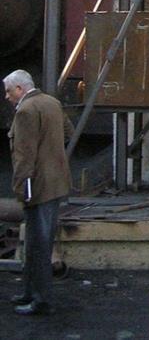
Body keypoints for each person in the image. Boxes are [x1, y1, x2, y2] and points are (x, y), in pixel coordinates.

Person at [3, 69, 73, 316]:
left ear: (20, 89)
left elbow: (24, 157)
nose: (7, 97)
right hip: (55, 183)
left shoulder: (25, 111)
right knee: (38, 242)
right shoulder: (52, 103)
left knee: (37, 245)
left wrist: (21, 189)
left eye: (8, 91)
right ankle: (30, 293)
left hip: (37, 186)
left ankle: (40, 300)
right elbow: (68, 133)